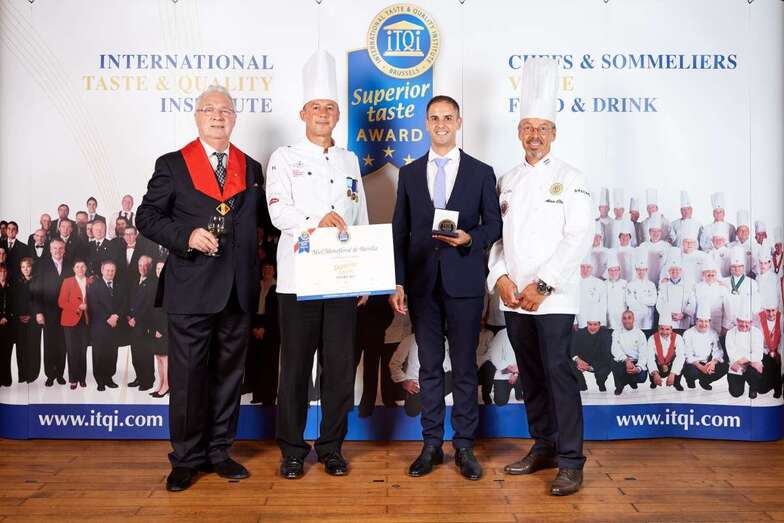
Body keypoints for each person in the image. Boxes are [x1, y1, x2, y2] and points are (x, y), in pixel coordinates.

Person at [136, 84, 268, 492]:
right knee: (189, 377)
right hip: (191, 288)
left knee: (229, 377)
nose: (217, 116)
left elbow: (264, 225)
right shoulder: (173, 165)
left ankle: (219, 451)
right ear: (196, 117)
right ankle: (186, 458)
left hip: (238, 290)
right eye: (209, 109)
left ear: (235, 118)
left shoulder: (251, 168)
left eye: (224, 110)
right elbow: (146, 217)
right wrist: (186, 236)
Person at [487, 57, 593, 496]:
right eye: (528, 127)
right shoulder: (507, 180)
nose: (535, 135)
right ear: (519, 132)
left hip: (554, 297)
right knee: (530, 374)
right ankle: (544, 446)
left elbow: (580, 236)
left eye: (542, 128)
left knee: (557, 373)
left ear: (553, 133)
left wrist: (543, 284)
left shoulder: (571, 178)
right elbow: (496, 239)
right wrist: (501, 279)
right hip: (515, 298)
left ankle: (571, 460)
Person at [266, 51, 368, 480]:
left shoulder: (349, 160)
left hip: (341, 280)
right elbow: (277, 212)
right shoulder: (284, 157)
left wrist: (365, 274)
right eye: (315, 107)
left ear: (338, 115)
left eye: (329, 107)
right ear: (303, 113)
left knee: (340, 369)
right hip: (298, 281)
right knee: (294, 368)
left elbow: (360, 217)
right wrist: (316, 220)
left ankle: (331, 447)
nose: (323, 113)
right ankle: (292, 449)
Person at [390, 93, 501, 481]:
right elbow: (399, 232)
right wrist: (398, 281)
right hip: (422, 284)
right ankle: (431, 445)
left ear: (459, 122)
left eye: (448, 117)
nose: (441, 124)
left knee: (465, 367)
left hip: (464, 282)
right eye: (435, 117)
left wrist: (471, 238)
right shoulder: (408, 174)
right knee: (430, 366)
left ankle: (464, 446)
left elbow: (494, 225)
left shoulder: (480, 172)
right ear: (426, 123)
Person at [31, 239, 72, 387]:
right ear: (50, 250)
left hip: (66, 312)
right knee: (49, 344)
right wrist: (38, 312)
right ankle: (50, 375)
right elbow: (36, 292)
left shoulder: (70, 265)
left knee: (63, 344)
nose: (58, 251)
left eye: (60, 248)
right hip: (48, 312)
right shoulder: (42, 265)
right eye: (55, 248)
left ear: (64, 250)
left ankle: (60, 374)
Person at [388, 333, 452, 417]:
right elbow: (394, 364)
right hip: (417, 385)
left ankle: (432, 396)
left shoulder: (444, 339)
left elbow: (450, 365)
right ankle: (430, 396)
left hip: (439, 381)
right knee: (412, 411)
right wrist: (403, 381)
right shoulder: (410, 339)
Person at [245, 260, 280, 406]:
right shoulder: (256, 285)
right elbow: (250, 306)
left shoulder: (278, 286)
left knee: (269, 364)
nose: (267, 270)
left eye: (270, 268)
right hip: (255, 324)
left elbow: (277, 312)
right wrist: (254, 327)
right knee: (255, 362)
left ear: (274, 271)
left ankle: (269, 397)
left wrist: (265, 328)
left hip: (271, 327)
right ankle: (257, 395)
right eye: (265, 268)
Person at [58, 259, 89, 389]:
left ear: (86, 268)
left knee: (83, 350)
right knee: (72, 350)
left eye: (83, 266)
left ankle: (82, 378)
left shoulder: (90, 281)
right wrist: (78, 306)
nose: (80, 269)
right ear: (73, 269)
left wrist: (87, 307)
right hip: (70, 320)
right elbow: (61, 302)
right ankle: (73, 379)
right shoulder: (67, 281)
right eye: (77, 267)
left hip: (85, 320)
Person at [127, 255, 156, 391]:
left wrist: (136, 319)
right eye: (140, 265)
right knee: (136, 354)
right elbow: (130, 301)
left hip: (144, 325)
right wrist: (128, 317)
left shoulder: (153, 283)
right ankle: (139, 377)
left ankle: (148, 381)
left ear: (150, 267)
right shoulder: (134, 281)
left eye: (146, 266)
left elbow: (149, 305)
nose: (142, 268)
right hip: (132, 324)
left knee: (145, 354)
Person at [681, 304, 728, 390]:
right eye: (700, 321)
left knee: (725, 367)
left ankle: (705, 381)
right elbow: (687, 355)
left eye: (706, 321)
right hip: (693, 363)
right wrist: (702, 368)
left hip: (707, 362)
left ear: (709, 322)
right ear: (696, 321)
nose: (703, 324)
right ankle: (689, 379)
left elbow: (718, 350)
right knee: (691, 372)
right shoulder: (688, 333)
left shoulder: (713, 333)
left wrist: (713, 363)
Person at [11, 258, 41, 383]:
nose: (26, 269)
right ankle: (22, 375)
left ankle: (32, 375)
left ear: (32, 267)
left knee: (33, 346)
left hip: (34, 320)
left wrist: (31, 315)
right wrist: (19, 315)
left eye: (28, 266)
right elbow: (14, 301)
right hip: (20, 320)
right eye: (23, 267)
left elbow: (40, 301)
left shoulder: (38, 281)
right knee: (21, 348)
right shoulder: (17, 282)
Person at [724, 311, 764, 398]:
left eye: (747, 322)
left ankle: (753, 388)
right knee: (736, 393)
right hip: (737, 366)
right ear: (737, 321)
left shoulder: (757, 332)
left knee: (758, 379)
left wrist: (743, 361)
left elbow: (759, 353)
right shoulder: (730, 333)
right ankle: (741, 380)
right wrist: (750, 360)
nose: (744, 324)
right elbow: (731, 353)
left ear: (751, 322)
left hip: (749, 366)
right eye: (741, 321)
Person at [570, 312, 613, 392]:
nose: (592, 327)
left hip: (601, 363)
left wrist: (590, 367)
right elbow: (572, 350)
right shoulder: (580, 333)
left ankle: (601, 383)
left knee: (602, 373)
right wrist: (578, 361)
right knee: (569, 363)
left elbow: (607, 356)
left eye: (595, 324)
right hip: (584, 361)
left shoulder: (606, 334)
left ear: (600, 325)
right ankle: (582, 386)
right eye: (590, 324)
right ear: (587, 324)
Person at [656, 248, 695, 333]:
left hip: (683, 323)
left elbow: (692, 303)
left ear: (681, 270)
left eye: (677, 269)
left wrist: (683, 314)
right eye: (672, 269)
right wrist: (668, 314)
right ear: (668, 271)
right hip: (667, 323)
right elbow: (659, 303)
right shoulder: (663, 285)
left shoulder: (687, 285)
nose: (674, 271)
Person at [610, 310, 648, 395]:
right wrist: (626, 360)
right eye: (624, 318)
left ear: (633, 319)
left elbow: (644, 354)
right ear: (622, 320)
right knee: (613, 363)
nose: (627, 320)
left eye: (629, 318)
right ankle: (619, 386)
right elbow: (615, 349)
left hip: (635, 362)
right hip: (622, 361)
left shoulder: (640, 334)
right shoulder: (616, 332)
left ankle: (631, 381)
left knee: (642, 377)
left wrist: (637, 368)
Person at [645, 311, 685, 391]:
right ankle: (653, 381)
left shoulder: (678, 338)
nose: (664, 332)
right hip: (658, 364)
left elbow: (680, 357)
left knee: (682, 361)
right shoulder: (652, 338)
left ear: (671, 329)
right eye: (661, 329)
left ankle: (677, 382)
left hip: (671, 364)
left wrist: (672, 374)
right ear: (658, 328)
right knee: (650, 361)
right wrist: (655, 373)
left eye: (667, 329)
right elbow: (649, 357)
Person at [486, 328, 522, 405]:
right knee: (500, 401)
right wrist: (512, 370)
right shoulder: (501, 333)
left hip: (522, 373)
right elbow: (494, 356)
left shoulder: (527, 331)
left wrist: (516, 373)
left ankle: (519, 392)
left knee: (524, 396)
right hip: (504, 373)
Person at [150, 261, 169, 398]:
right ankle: (161, 383)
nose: (159, 271)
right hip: (155, 328)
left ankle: (167, 385)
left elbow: (167, 311)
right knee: (158, 357)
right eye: (157, 268)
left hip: (164, 329)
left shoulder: (169, 286)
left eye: (161, 268)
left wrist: (161, 330)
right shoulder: (155, 284)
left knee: (165, 358)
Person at [625, 256, 657, 334]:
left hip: (648, 319)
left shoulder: (651, 285)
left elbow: (653, 302)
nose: (641, 272)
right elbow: (629, 302)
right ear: (636, 270)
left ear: (646, 270)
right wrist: (646, 300)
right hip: (635, 318)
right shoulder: (630, 285)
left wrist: (638, 298)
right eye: (639, 270)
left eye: (643, 270)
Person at [758, 297, 782, 398]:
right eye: (768, 310)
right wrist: (768, 351)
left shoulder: (782, 318)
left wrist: (777, 352)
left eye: (773, 310)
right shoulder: (758, 319)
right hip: (764, 353)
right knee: (762, 389)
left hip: (779, 352)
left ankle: (778, 387)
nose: (771, 314)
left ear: (777, 309)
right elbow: (756, 340)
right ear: (764, 309)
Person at [576, 256, 606, 329]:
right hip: (580, 320)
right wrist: (574, 322)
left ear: (592, 268)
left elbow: (603, 304)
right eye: (582, 267)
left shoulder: (599, 283)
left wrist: (602, 322)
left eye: (588, 267)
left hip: (595, 321)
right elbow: (572, 303)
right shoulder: (574, 283)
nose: (585, 270)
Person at [605, 251, 627, 330]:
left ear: (619, 270)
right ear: (608, 271)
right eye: (611, 270)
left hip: (622, 318)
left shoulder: (625, 283)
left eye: (616, 270)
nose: (613, 272)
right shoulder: (603, 284)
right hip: (607, 318)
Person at [0, 265, 12, 387]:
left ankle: (6, 379)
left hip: (8, 324)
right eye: (0, 272)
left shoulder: (10, 287)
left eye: (4, 271)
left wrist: (6, 317)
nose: (2, 274)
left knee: (7, 353)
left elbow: (14, 305)